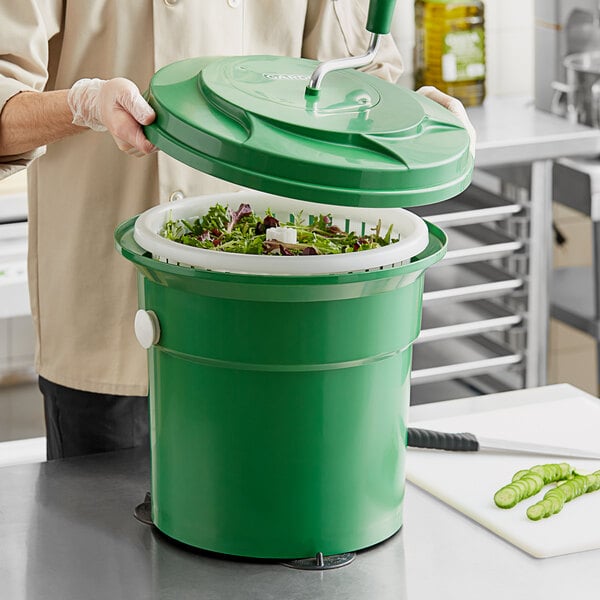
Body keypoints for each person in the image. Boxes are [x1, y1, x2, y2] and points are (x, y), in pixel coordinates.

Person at [0, 1, 473, 460]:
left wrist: (419, 124)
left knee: (263, 520)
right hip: (110, 322)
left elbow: (352, 87)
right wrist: (83, 103)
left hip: (270, 314)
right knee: (101, 528)